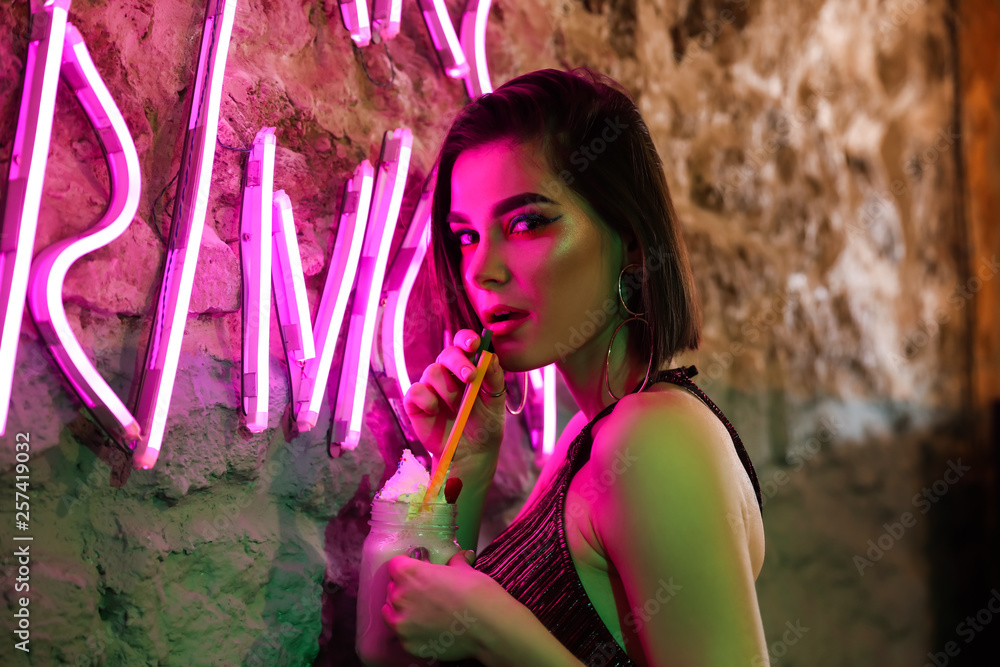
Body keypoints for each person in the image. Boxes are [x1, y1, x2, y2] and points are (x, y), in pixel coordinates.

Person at [383, 68, 767, 666]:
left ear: (631, 239)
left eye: (526, 223)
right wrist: (466, 462)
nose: (482, 270)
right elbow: (391, 645)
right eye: (465, 237)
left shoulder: (656, 437)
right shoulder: (585, 440)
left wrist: (493, 630)